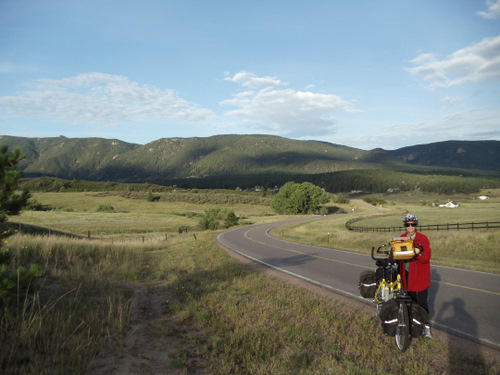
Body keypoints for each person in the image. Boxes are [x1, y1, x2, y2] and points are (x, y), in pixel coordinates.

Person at [400, 213, 432, 338]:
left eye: (413, 224)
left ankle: (426, 326)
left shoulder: (422, 238)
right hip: (406, 275)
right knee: (410, 301)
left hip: (420, 275)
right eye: (408, 224)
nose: (410, 227)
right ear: (405, 225)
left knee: (422, 302)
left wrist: (415, 253)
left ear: (416, 225)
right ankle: (412, 324)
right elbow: (397, 253)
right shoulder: (402, 237)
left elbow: (426, 257)